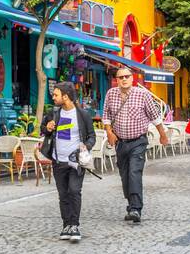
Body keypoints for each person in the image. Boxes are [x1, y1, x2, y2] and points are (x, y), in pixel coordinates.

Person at [103, 67, 167, 225]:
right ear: (116, 80)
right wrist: (109, 132)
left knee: (134, 173)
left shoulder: (143, 94)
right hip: (121, 143)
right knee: (124, 176)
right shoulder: (111, 94)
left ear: (132, 78)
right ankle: (131, 205)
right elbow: (106, 116)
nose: (124, 79)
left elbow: (155, 116)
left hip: (138, 141)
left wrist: (163, 135)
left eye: (127, 76)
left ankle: (136, 209)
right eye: (120, 77)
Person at [43, 81, 95, 243]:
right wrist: (47, 128)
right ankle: (66, 225)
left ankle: (74, 225)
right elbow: (43, 129)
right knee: (63, 194)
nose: (53, 97)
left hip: (76, 162)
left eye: (56, 95)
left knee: (74, 191)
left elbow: (91, 136)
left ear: (65, 97)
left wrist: (85, 146)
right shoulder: (54, 113)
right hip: (58, 160)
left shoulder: (83, 115)